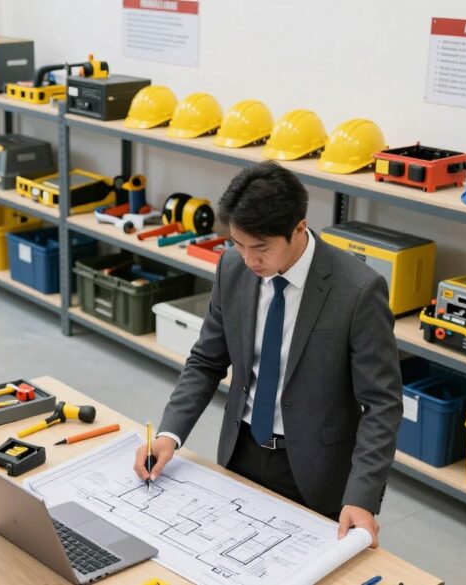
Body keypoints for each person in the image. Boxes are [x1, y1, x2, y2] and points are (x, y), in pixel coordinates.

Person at [134, 161, 403, 547]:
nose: (248, 260)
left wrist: (362, 498)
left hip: (315, 470)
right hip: (240, 449)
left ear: (299, 228)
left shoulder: (357, 291)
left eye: (260, 248)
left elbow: (382, 404)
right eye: (238, 244)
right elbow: (206, 361)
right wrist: (169, 434)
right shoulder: (232, 268)